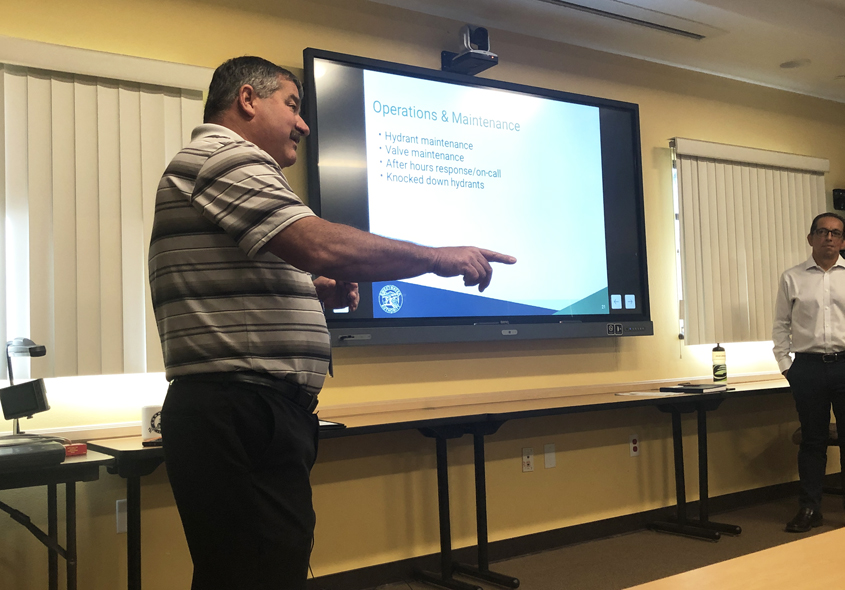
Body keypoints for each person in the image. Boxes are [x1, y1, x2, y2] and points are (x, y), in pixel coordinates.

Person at [148, 56, 516, 589]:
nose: (303, 124)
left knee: (251, 568)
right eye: (292, 106)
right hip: (239, 410)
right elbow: (317, 243)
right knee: (258, 572)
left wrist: (312, 292)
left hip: (246, 410)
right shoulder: (223, 157)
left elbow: (256, 275)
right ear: (247, 100)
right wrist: (437, 257)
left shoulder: (228, 166)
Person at [773, 211, 845, 533]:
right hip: (808, 368)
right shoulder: (792, 278)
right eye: (822, 232)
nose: (829, 237)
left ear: (842, 241)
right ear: (811, 238)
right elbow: (780, 325)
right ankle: (810, 508)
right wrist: (787, 367)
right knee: (813, 442)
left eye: (835, 233)